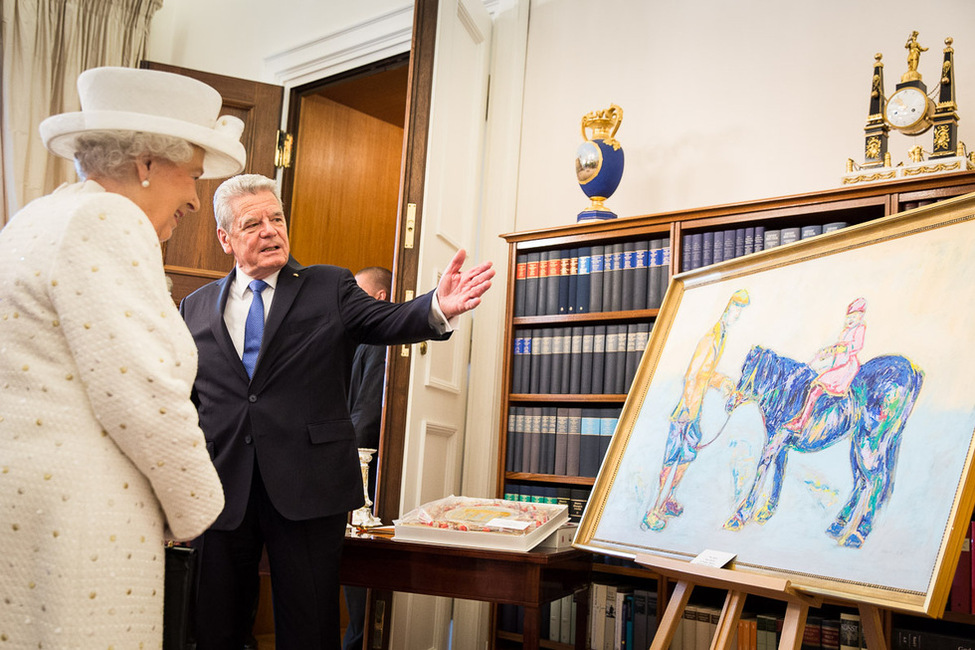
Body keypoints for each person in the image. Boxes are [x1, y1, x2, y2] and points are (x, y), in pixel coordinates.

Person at [178, 173, 494, 650]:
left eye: (277, 218)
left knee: (309, 628)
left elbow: (387, 320)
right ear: (225, 238)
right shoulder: (194, 306)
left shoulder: (329, 285)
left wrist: (436, 307)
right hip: (222, 488)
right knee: (215, 628)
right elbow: (186, 396)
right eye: (252, 223)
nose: (270, 230)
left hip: (308, 487)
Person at [0, 66, 245, 648]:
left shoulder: (32, 217)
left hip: (24, 501)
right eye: (191, 175)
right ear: (147, 166)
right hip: (79, 516)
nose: (193, 196)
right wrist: (201, 508)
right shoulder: (106, 220)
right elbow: (142, 391)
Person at [641, 289, 750, 532]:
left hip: (694, 408)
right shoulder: (710, 338)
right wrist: (689, 412)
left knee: (688, 454)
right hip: (687, 409)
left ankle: (668, 498)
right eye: (735, 310)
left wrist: (722, 383)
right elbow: (692, 375)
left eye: (739, 311)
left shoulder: (721, 336)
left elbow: (705, 374)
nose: (736, 316)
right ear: (726, 308)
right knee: (672, 457)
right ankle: (652, 511)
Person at [342, 266, 392, 650]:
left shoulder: (378, 340)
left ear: (379, 299)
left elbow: (368, 411)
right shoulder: (356, 339)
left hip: (366, 466)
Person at [785, 297, 867, 432]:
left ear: (861, 316)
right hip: (838, 365)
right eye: (849, 316)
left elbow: (856, 346)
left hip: (846, 367)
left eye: (855, 316)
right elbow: (838, 348)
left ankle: (801, 423)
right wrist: (826, 352)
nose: (851, 319)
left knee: (816, 388)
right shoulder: (845, 331)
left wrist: (839, 349)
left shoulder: (860, 328)